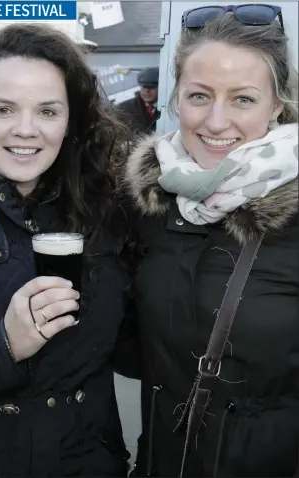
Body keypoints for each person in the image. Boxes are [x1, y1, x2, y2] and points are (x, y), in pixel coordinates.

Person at [0, 23, 132, 477]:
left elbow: (137, 349)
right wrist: (3, 342)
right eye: (4, 109)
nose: (26, 130)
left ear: (71, 119)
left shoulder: (107, 208)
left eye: (48, 111)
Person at [120, 5, 299, 477]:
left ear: (276, 106)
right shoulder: (147, 205)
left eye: (242, 99)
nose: (217, 122)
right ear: (177, 97)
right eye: (199, 96)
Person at [117, 67, 160, 137]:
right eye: (143, 86)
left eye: (151, 87)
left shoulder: (168, 110)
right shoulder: (123, 108)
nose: (147, 91)